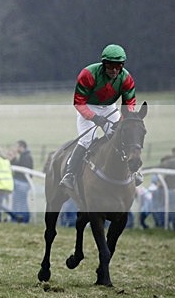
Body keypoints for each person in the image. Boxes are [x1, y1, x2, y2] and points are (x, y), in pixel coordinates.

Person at [60, 43, 140, 192]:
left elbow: (129, 103)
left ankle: (133, 172)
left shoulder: (126, 78)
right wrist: (94, 118)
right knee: (87, 140)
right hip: (88, 106)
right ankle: (69, 173)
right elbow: (79, 102)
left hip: (110, 107)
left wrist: (123, 121)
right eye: (111, 66)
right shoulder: (88, 74)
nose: (115, 70)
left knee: (120, 136)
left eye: (119, 66)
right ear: (104, 64)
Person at [10, 140, 33, 223]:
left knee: (21, 203)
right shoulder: (24, 156)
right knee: (20, 202)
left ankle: (23, 219)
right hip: (22, 183)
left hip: (22, 183)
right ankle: (20, 219)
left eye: (17, 146)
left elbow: (21, 170)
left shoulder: (26, 157)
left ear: (21, 147)